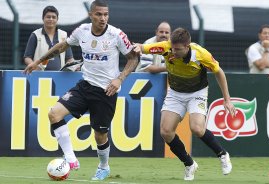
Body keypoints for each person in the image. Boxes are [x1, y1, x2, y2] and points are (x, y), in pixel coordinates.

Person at [24, 0, 138, 181]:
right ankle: (70, 159)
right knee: (54, 114)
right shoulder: (81, 31)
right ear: (91, 14)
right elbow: (62, 46)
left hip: (106, 91)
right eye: (99, 14)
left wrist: (119, 78)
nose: (103, 18)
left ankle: (103, 166)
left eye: (106, 14)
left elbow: (133, 58)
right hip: (85, 86)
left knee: (100, 135)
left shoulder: (116, 34)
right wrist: (39, 61)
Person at [133, 27, 235, 181]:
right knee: (166, 132)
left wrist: (227, 99)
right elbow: (142, 47)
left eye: (178, 50)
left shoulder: (201, 54)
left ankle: (222, 154)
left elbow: (219, 72)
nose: (174, 52)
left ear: (188, 46)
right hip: (175, 92)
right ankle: (189, 164)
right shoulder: (166, 47)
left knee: (196, 128)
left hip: (197, 93)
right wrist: (135, 47)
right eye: (173, 48)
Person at [23, 6, 74, 71]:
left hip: (59, 77)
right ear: (43, 18)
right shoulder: (35, 35)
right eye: (48, 17)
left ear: (57, 19)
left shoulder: (64, 35)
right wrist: (34, 66)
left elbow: (69, 58)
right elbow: (27, 57)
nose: (51, 19)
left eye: (54, 17)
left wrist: (72, 66)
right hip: (40, 76)